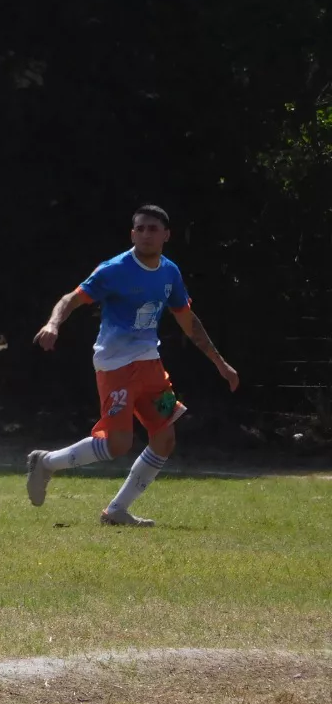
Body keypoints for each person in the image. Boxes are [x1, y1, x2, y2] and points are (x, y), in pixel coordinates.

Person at [26, 205, 240, 526]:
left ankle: (116, 510)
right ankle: (46, 462)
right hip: (116, 367)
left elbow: (188, 321)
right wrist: (53, 324)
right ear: (132, 234)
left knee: (165, 439)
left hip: (151, 365)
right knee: (118, 444)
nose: (145, 234)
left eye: (152, 228)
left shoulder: (170, 272)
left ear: (166, 235)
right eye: (139, 229)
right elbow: (71, 298)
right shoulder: (114, 270)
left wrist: (220, 363)